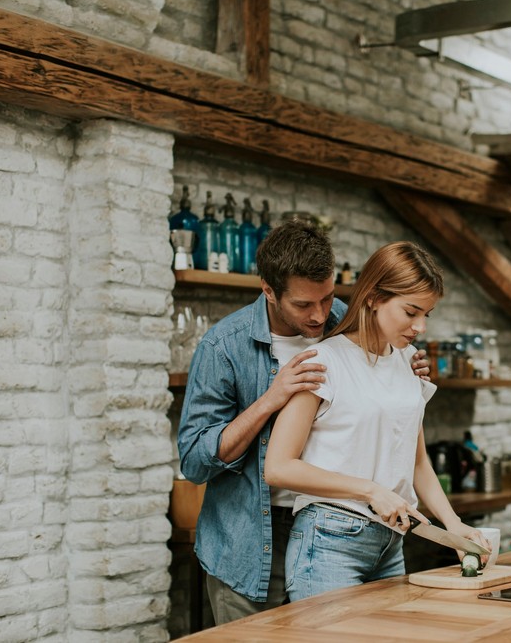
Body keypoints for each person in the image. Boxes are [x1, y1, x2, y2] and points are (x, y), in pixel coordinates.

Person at [177, 220, 429, 624]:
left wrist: (406, 362)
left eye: (327, 298)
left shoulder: (346, 322)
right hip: (251, 538)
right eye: (303, 305)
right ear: (269, 291)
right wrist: (270, 400)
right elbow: (194, 461)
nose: (319, 315)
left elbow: (384, 382)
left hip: (337, 529)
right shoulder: (224, 346)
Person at [264, 241, 490, 602]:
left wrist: (454, 525)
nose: (420, 327)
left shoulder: (408, 363)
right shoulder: (322, 362)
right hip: (329, 542)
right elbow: (278, 468)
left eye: (426, 315)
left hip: (390, 544)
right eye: (411, 312)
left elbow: (417, 462)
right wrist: (370, 490)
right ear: (373, 298)